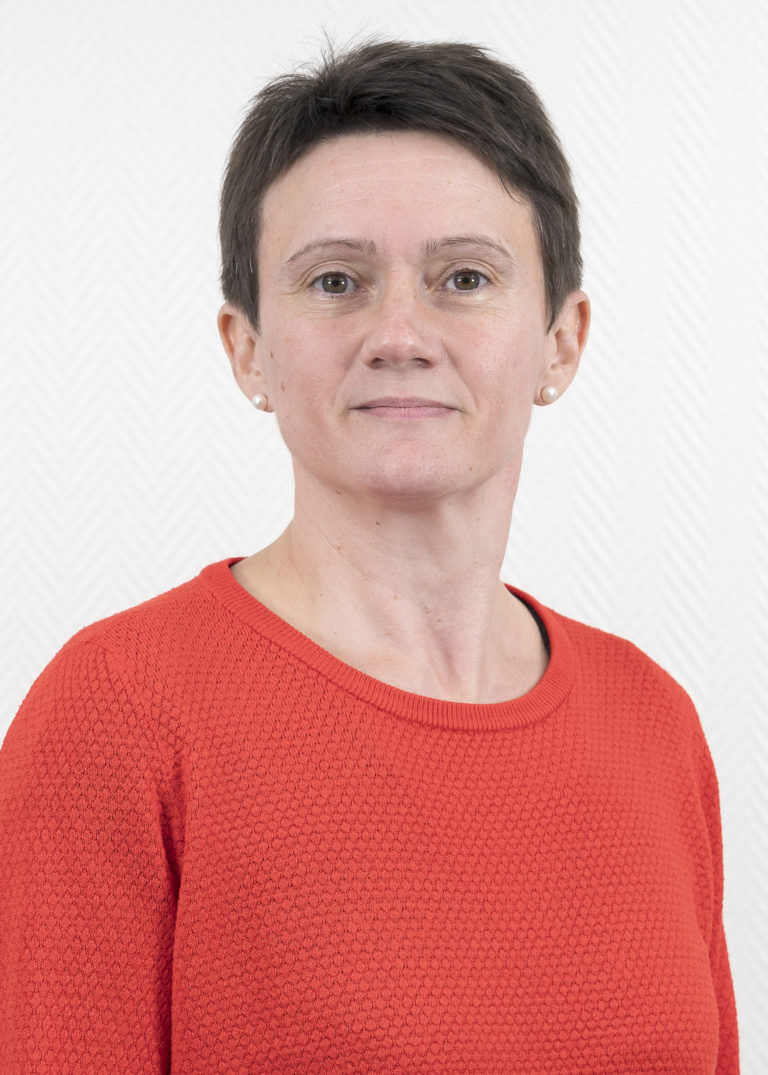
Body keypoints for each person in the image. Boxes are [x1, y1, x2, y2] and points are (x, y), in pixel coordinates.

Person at [0, 39, 738, 1073]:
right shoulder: (118, 712)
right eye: (336, 280)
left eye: (464, 277)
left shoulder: (653, 722)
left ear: (562, 340)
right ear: (247, 349)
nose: (400, 333)